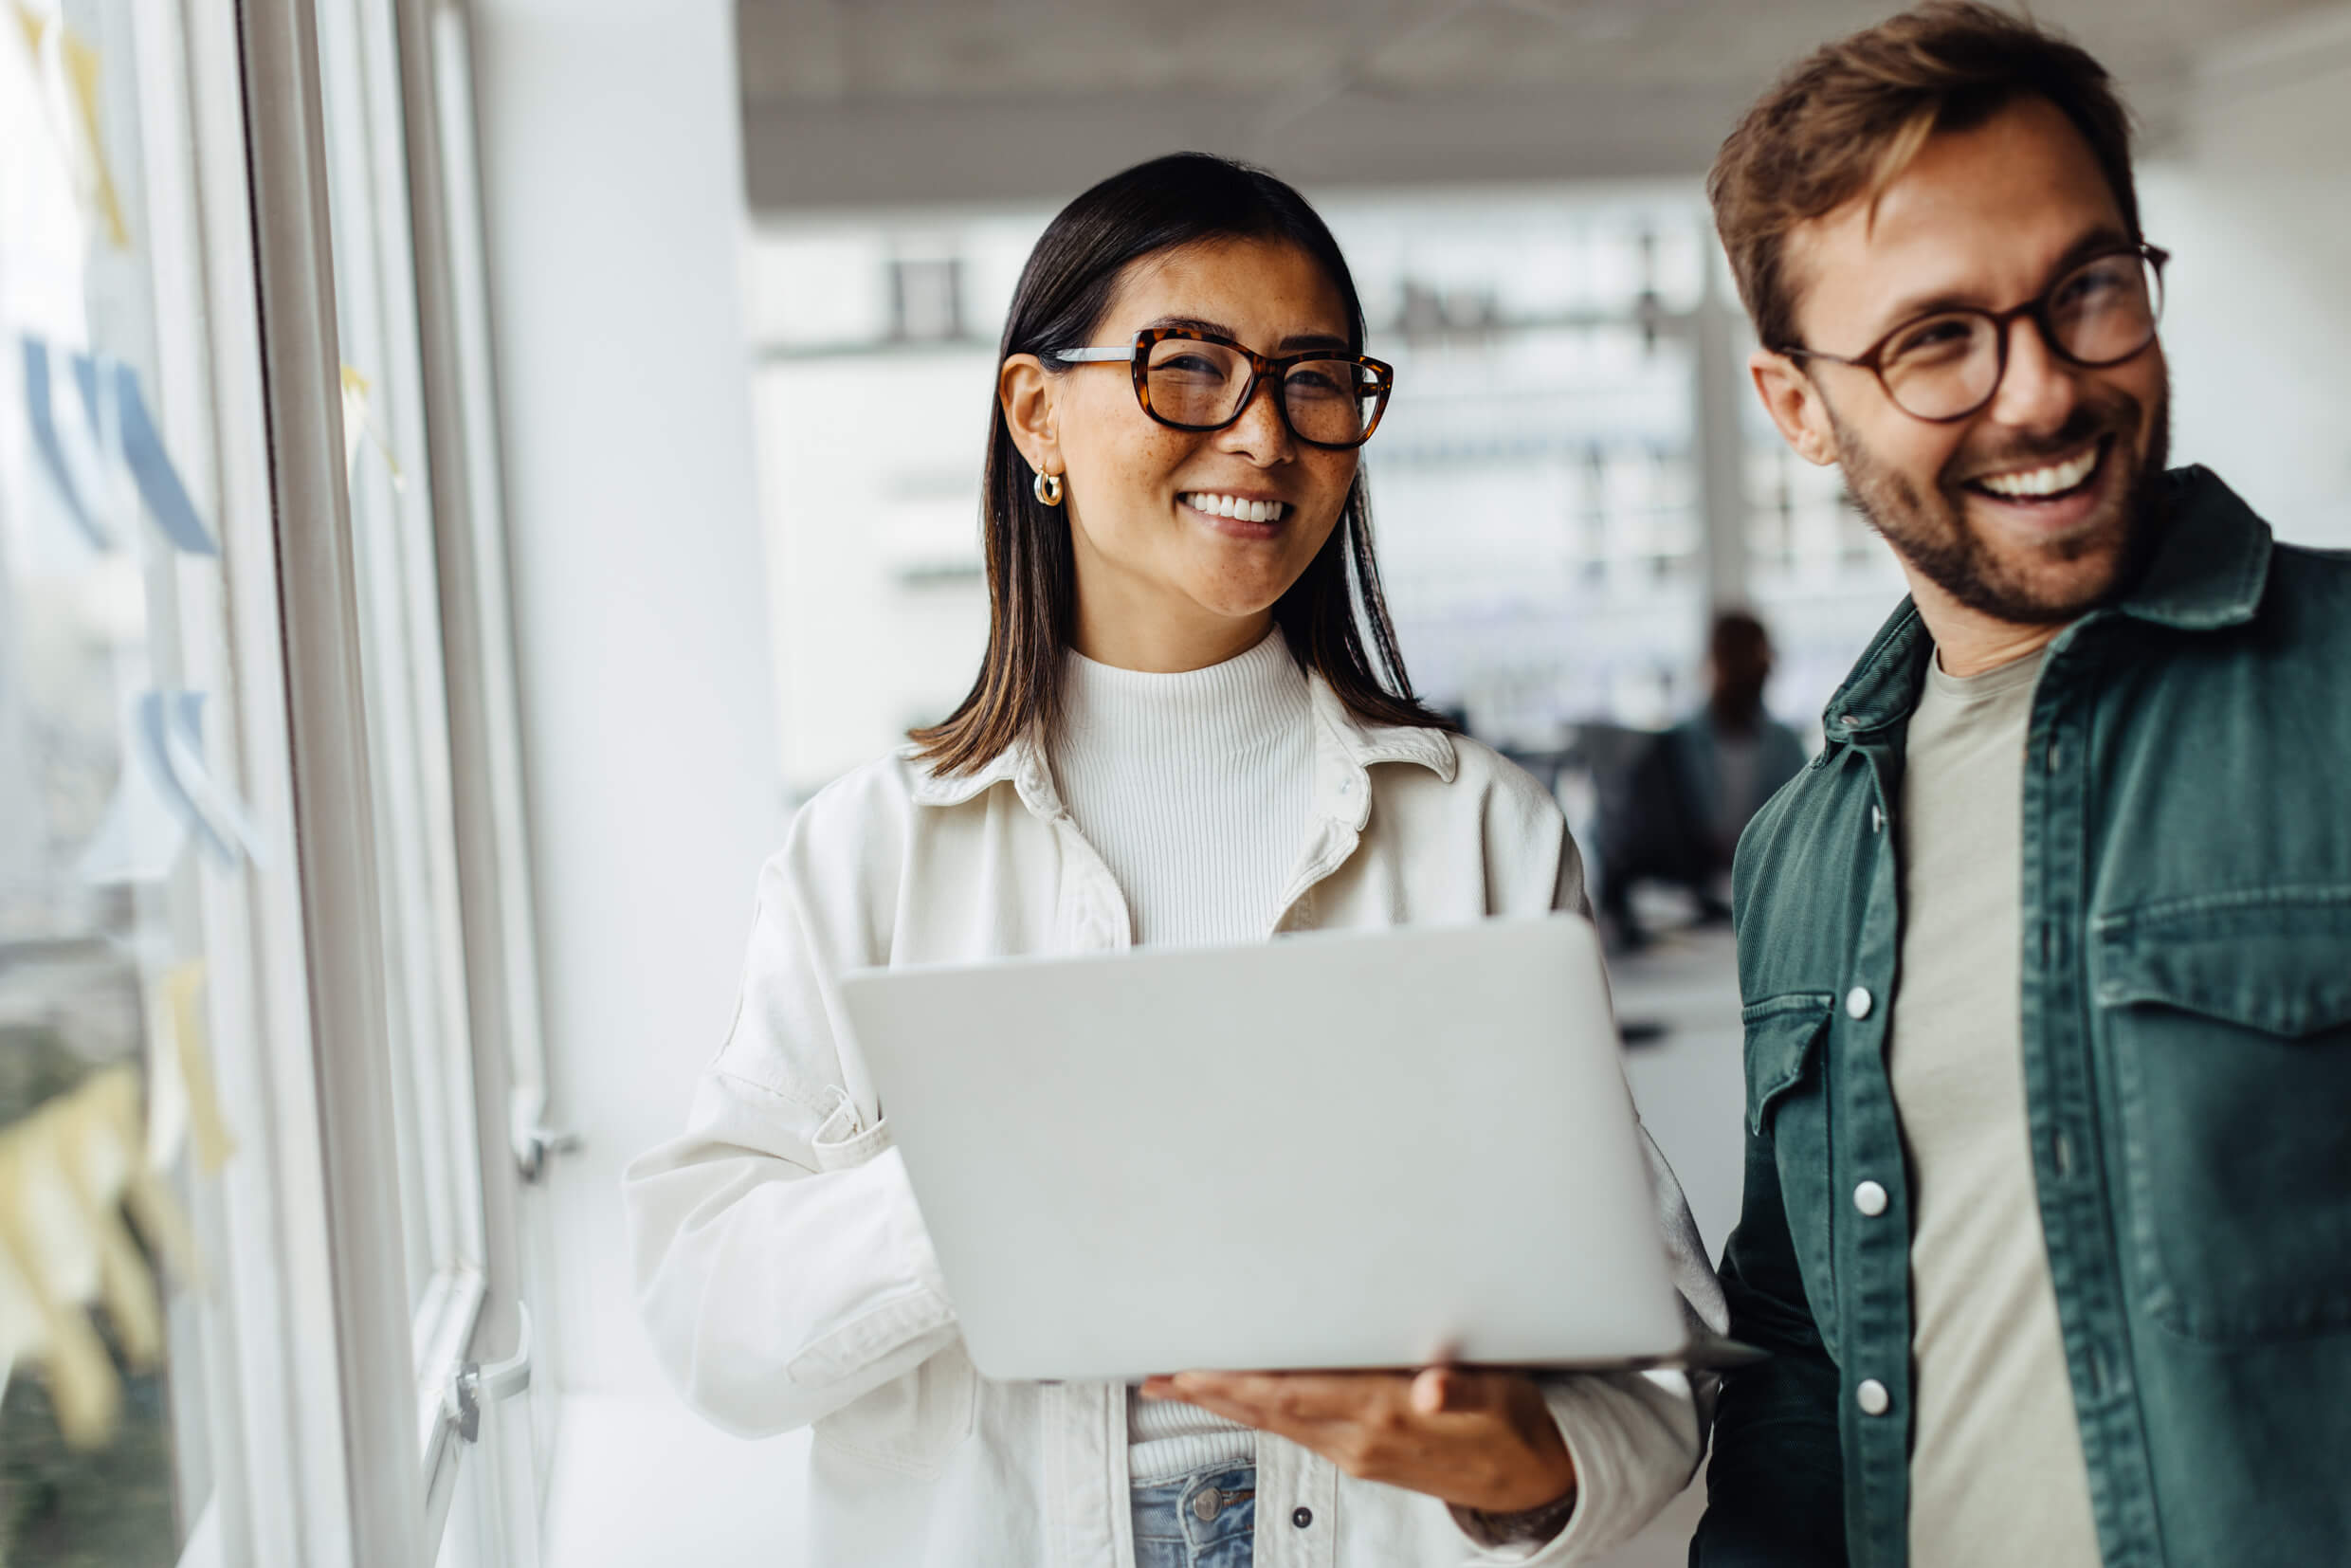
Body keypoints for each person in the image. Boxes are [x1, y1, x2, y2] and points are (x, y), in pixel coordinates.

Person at [625, 153, 1723, 1567]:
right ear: (1040, 414)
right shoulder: (869, 854)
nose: (1264, 435)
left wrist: (1519, 1471)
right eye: (1190, 368)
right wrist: (1009, 1167)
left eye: (1315, 379)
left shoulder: (1478, 831)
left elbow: (1663, 1368)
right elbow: (712, 1321)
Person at [1694, 6, 2351, 1566]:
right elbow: (1795, 1358)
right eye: (1937, 340)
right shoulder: (1805, 844)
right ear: (1799, 406)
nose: (2044, 389)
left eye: (2089, 292)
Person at [1596, 611, 1806, 947]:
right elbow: (1631, 844)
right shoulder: (1670, 749)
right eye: (1737, 657)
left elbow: (1802, 829)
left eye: (1756, 657)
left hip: (1759, 904)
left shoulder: (1784, 745)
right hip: (1683, 910)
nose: (1750, 670)